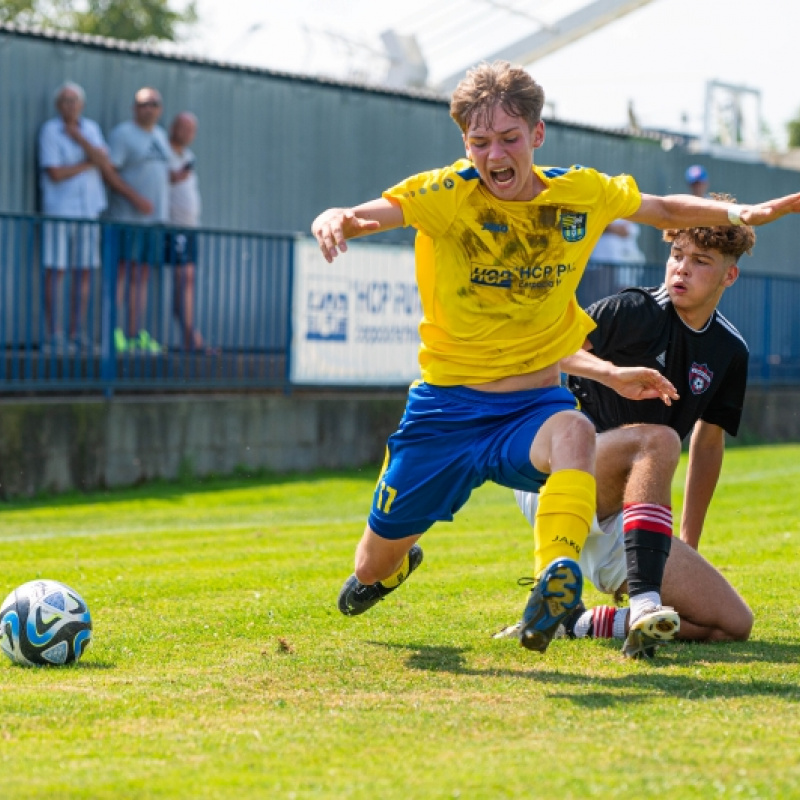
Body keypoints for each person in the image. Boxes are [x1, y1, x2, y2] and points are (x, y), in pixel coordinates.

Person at [310, 60, 800, 656]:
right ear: (465, 143)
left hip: (530, 407)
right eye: (480, 142)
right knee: (370, 562)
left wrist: (741, 213)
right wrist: (334, 217)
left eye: (509, 138)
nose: (494, 155)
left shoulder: (580, 193)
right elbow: (370, 215)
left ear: (537, 135)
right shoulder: (446, 193)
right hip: (445, 410)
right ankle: (386, 569)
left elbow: (666, 211)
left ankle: (557, 586)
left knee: (573, 429)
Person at [508, 203, 756, 657]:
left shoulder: (729, 350)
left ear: (729, 277)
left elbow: (708, 443)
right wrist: (610, 372)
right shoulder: (634, 309)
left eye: (700, 262)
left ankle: (575, 623)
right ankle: (645, 602)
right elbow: (551, 352)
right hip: (563, 477)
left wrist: (687, 541)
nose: (682, 269)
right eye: (677, 254)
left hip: (628, 511)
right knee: (658, 438)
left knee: (731, 623)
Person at [38, 82, 150, 353]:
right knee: (57, 270)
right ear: (58, 105)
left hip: (89, 211)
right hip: (60, 211)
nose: (70, 105)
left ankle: (78, 334)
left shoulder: (91, 130)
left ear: (82, 105)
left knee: (84, 271)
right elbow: (55, 173)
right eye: (65, 100)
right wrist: (90, 162)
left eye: (74, 100)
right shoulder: (50, 131)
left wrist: (78, 139)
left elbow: (105, 161)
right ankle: (54, 335)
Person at [106, 86, 171, 353]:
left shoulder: (161, 135)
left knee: (142, 279)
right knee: (121, 275)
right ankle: (113, 335)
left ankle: (134, 336)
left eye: (154, 103)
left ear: (160, 109)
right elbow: (109, 172)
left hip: (155, 222)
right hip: (127, 220)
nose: (149, 108)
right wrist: (135, 198)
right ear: (135, 108)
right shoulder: (122, 134)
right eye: (143, 104)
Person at [165, 111, 212, 353]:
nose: (187, 133)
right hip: (174, 228)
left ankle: (190, 336)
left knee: (187, 281)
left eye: (192, 129)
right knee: (184, 279)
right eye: (183, 127)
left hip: (190, 228)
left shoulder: (189, 155)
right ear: (173, 127)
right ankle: (191, 337)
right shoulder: (164, 151)